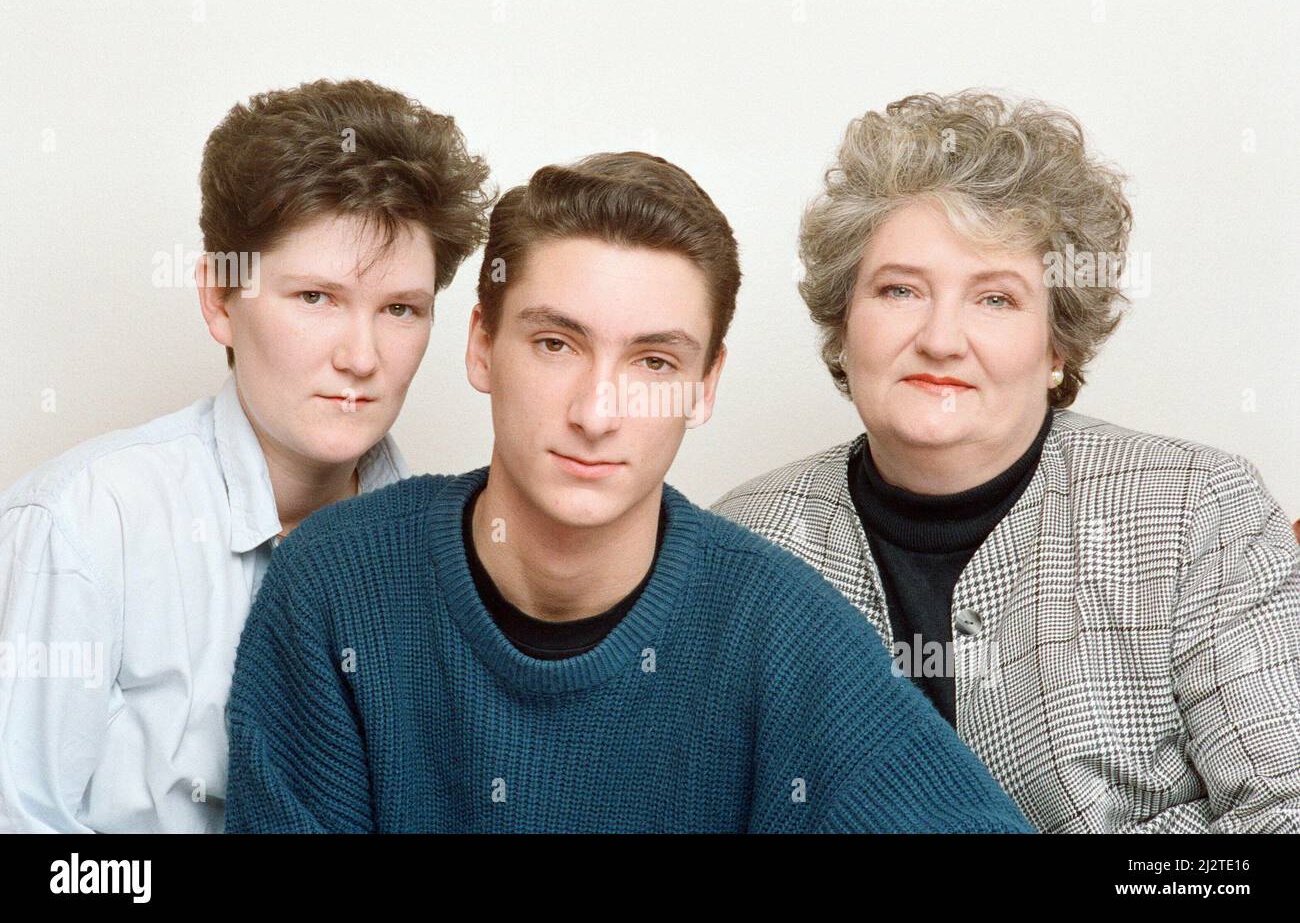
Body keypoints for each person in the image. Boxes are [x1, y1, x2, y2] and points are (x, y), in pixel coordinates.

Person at [224, 151, 1032, 834]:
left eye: (654, 362)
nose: (596, 412)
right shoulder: (334, 586)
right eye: (554, 343)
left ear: (704, 386)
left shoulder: (783, 629)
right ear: (481, 345)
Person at [712, 91, 1300, 833]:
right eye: (900, 290)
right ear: (843, 324)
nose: (941, 338)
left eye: (995, 299)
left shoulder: (1199, 509)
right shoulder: (740, 543)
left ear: (1057, 348)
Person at [0, 78, 492, 832]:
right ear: (219, 301)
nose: (361, 357)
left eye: (400, 309)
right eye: (315, 298)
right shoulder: (83, 525)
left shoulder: (458, 540)